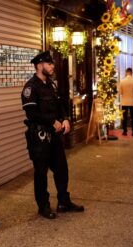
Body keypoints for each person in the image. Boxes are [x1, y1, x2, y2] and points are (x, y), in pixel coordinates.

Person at [21, 51, 84, 220]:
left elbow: (60, 104)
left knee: (62, 169)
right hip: (40, 137)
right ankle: (43, 206)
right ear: (39, 65)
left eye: (52, 64)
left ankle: (64, 202)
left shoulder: (51, 85)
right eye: (49, 64)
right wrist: (51, 121)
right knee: (40, 173)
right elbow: (31, 113)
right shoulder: (30, 87)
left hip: (55, 136)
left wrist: (64, 119)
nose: (52, 66)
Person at [119, 67, 133, 136]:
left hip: (124, 101)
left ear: (126, 72)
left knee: (124, 117)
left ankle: (125, 131)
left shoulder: (122, 81)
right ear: (131, 73)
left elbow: (120, 92)